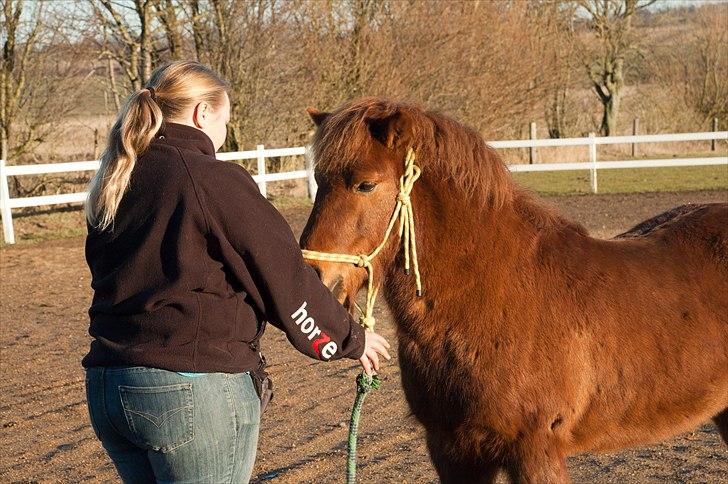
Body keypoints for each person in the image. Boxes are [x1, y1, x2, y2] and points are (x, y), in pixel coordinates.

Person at [82, 60, 391, 483]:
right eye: (224, 118)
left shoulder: (118, 178)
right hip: (190, 389)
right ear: (202, 114)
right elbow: (282, 274)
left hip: (109, 387)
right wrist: (347, 338)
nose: (223, 132)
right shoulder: (211, 179)